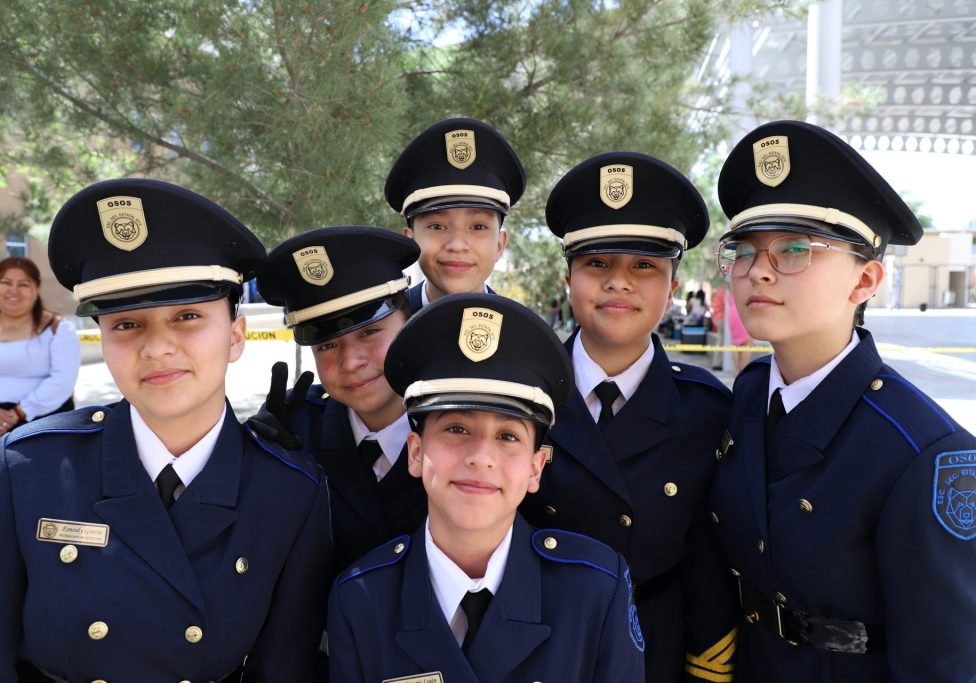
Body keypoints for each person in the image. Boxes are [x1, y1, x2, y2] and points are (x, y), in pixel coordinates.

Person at [0, 178, 332, 682]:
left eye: (188, 316)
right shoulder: (30, 466)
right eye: (126, 324)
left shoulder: (289, 490)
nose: (156, 348)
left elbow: (282, 668)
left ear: (235, 336)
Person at [710, 120, 976, 682]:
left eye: (795, 249)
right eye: (744, 250)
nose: (758, 271)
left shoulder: (926, 454)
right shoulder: (752, 393)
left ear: (865, 281)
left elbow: (945, 662)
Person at [328, 293, 646, 682]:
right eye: (456, 429)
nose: (481, 457)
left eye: (508, 436)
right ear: (416, 453)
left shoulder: (595, 591)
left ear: (535, 468)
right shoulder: (360, 599)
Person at [519, 151, 740, 683]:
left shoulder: (707, 410)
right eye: (597, 263)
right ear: (568, 277)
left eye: (644, 265)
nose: (619, 282)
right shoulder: (520, 395)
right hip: (535, 645)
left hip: (654, 652)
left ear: (672, 286)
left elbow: (709, 563)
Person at [252, 226, 428, 573]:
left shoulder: (459, 429)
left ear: (410, 326)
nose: (350, 362)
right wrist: (251, 464)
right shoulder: (294, 431)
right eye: (327, 345)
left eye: (370, 332)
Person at [0, 256, 80, 473]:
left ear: (36, 289)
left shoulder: (58, 328)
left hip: (44, 423)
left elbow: (63, 379)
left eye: (23, 284)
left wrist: (20, 412)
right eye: (6, 282)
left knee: (46, 487)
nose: (14, 290)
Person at [385, 117, 525, 312]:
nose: (457, 245)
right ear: (411, 241)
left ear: (500, 245)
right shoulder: (387, 327)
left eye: (478, 227)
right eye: (437, 226)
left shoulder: (520, 329)